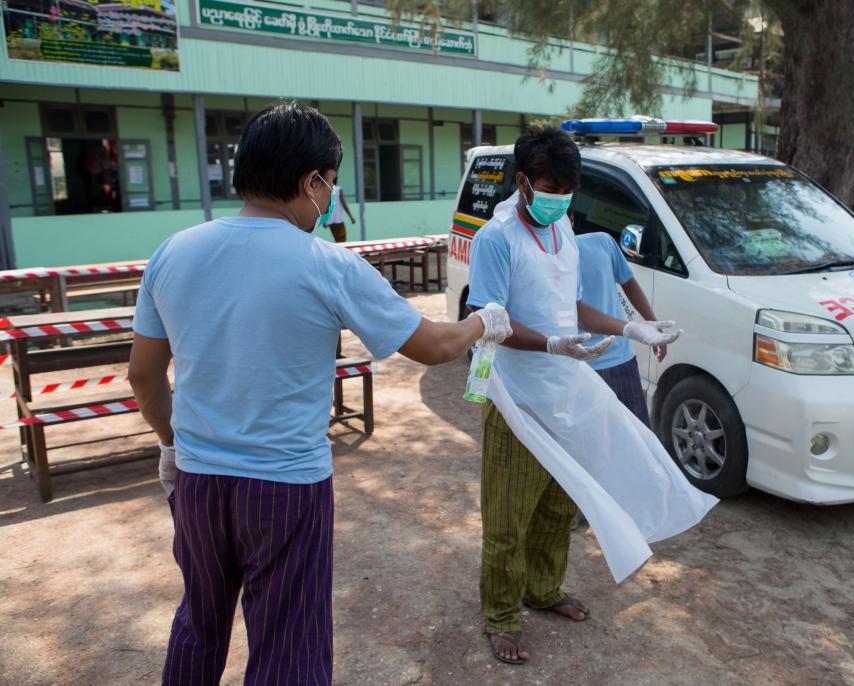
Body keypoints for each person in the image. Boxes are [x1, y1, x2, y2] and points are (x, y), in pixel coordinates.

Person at [128, 101, 511, 686]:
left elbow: (142, 376)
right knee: (288, 646)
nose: (332, 197)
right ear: (311, 182)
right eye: (331, 184)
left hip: (199, 484)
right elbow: (435, 345)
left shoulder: (173, 252)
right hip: (285, 488)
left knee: (198, 624)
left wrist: (170, 446)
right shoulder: (328, 264)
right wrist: (484, 321)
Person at [466, 126, 681, 665]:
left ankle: (542, 589)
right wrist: (550, 342)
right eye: (550, 186)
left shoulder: (561, 226)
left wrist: (634, 329)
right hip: (517, 398)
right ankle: (501, 614)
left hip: (566, 391)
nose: (560, 197)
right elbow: (489, 320)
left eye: (567, 187)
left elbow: (575, 305)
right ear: (522, 182)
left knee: (558, 505)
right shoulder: (496, 240)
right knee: (508, 516)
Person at [576, 230, 668, 426]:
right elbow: (581, 315)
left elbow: (629, 283)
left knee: (637, 438)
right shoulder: (547, 257)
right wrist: (631, 328)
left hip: (621, 361)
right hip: (581, 369)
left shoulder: (602, 242)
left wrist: (653, 324)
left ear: (572, 218)